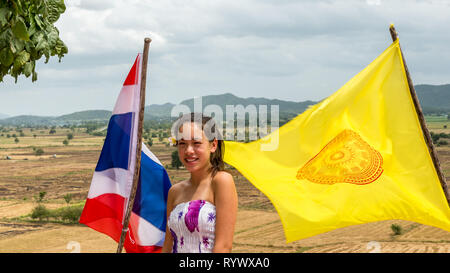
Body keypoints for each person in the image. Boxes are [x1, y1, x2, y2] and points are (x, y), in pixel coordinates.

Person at [161, 113, 238, 253]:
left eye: (196, 143)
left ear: (213, 145)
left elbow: (223, 246)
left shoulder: (221, 181)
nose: (188, 151)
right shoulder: (174, 191)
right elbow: (167, 246)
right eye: (182, 144)